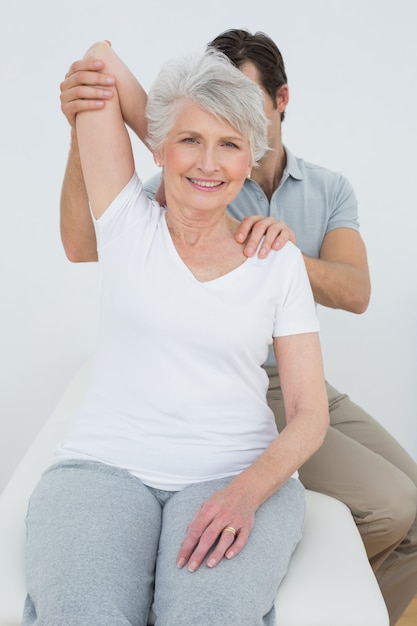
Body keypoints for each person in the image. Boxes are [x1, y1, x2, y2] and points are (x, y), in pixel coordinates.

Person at [58, 30, 417, 625]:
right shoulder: (188, 181)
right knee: (393, 506)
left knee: (415, 512)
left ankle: (354, 604)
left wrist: (277, 254)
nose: (220, 125)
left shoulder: (326, 188)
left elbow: (356, 293)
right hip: (241, 382)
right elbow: (87, 242)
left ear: (280, 102)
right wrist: (106, 117)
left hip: (302, 377)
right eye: (206, 111)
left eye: (239, 109)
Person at [24, 41, 329, 626]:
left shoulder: (277, 260)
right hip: (104, 469)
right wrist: (176, 125)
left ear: (249, 161)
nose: (209, 164)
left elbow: (309, 413)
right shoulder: (126, 222)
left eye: (230, 146)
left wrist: (244, 493)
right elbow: (102, 59)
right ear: (158, 147)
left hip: (233, 473)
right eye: (190, 140)